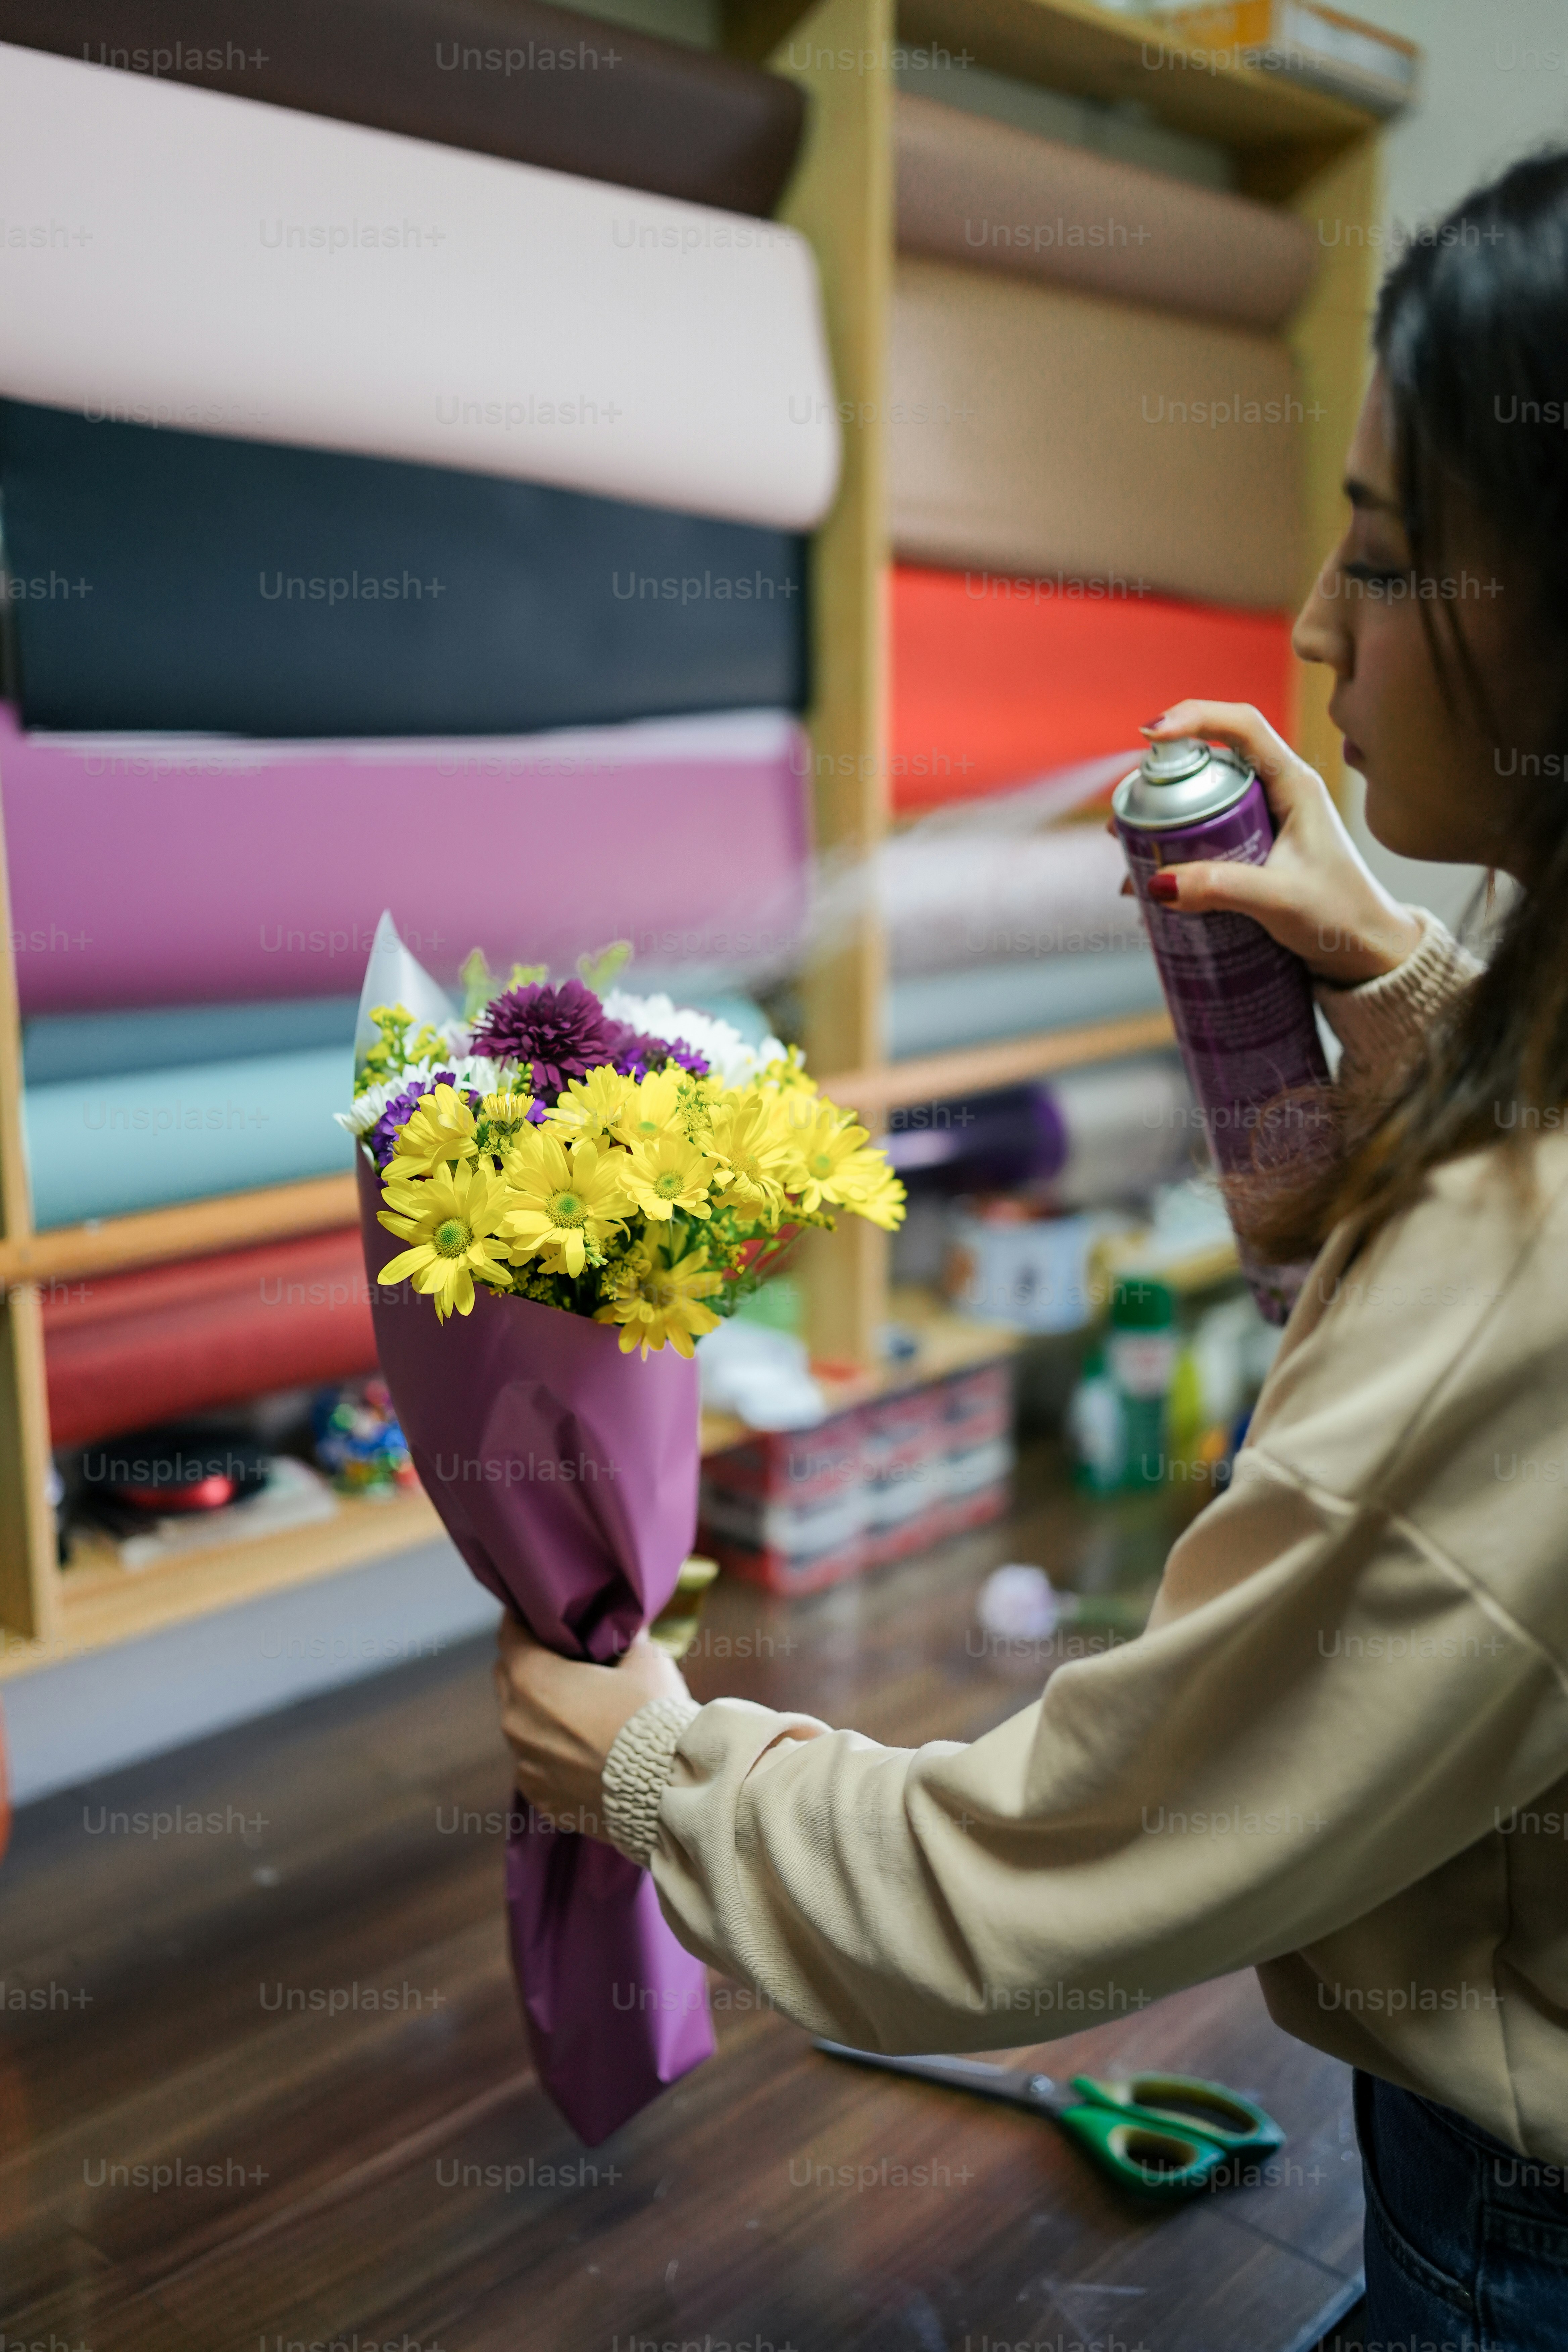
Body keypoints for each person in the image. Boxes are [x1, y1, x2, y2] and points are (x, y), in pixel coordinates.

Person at [493, 152, 1568, 2350]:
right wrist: (1407, 1000)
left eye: (1380, 557)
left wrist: (657, 1768)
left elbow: (1078, 1856)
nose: (1312, 632)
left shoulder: (1520, 1268)